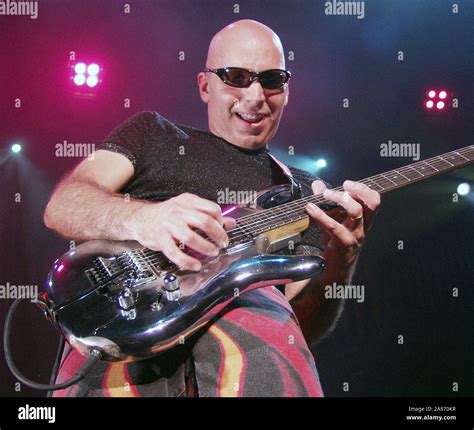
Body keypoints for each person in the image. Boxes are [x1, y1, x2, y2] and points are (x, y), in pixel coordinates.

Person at [44, 19, 380, 397]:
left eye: (272, 80)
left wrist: (344, 256)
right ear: (205, 85)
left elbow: (300, 327)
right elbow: (64, 204)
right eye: (236, 76)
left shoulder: (301, 189)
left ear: (286, 91)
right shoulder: (153, 133)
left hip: (251, 356)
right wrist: (145, 218)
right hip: (124, 339)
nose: (255, 96)